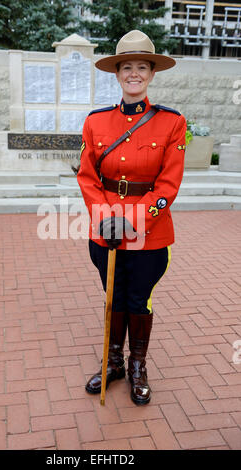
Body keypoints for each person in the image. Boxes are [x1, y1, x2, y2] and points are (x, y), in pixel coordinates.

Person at [77, 30, 186, 405]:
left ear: (152, 74)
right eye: (127, 67)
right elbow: (87, 175)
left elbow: (168, 185)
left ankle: (137, 364)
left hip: (150, 234)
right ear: (117, 73)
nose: (134, 73)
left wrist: (134, 221)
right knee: (113, 296)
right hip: (104, 230)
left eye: (142, 67)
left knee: (139, 300)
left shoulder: (172, 123)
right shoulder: (95, 122)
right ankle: (113, 363)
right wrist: (104, 215)